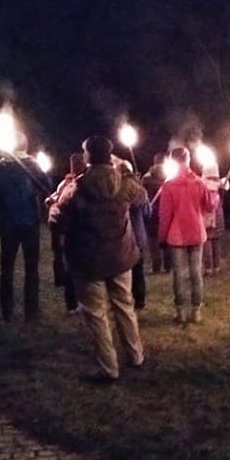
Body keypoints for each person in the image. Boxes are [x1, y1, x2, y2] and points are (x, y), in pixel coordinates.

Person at [57, 136, 147, 382]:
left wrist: (54, 208)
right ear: (110, 155)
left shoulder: (76, 188)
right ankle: (136, 355)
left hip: (88, 261)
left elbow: (60, 222)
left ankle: (109, 368)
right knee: (124, 306)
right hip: (120, 256)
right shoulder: (125, 183)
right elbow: (142, 197)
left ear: (88, 156)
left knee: (96, 314)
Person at [0, 134, 51, 322]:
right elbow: (47, 187)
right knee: (31, 267)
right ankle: (31, 311)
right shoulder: (32, 165)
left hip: (8, 222)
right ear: (25, 146)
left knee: (6, 267)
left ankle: (6, 310)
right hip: (29, 221)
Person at [158, 146, 216, 325]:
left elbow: (165, 215)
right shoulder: (199, 182)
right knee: (196, 272)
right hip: (196, 232)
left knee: (179, 274)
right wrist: (216, 193)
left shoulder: (169, 185)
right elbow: (210, 206)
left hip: (177, 234)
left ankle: (181, 312)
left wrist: (161, 237)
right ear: (188, 159)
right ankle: (196, 311)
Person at [46, 152, 86, 314]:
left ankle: (76, 301)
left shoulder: (81, 182)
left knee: (74, 266)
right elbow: (59, 203)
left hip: (73, 229)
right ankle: (73, 302)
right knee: (73, 266)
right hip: (72, 229)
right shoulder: (70, 184)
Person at [117, 158, 151, 310]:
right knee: (138, 267)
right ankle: (140, 299)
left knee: (123, 268)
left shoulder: (117, 188)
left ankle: (125, 298)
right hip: (138, 235)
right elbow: (147, 212)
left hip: (124, 234)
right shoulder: (140, 190)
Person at [141, 152, 170, 273]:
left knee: (153, 241)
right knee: (166, 240)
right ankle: (169, 266)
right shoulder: (170, 177)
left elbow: (141, 193)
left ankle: (156, 266)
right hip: (165, 211)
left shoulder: (146, 178)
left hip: (151, 212)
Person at [201, 161, 226, 275]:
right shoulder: (222, 184)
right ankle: (216, 266)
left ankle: (208, 267)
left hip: (206, 214)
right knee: (216, 241)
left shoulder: (201, 184)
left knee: (207, 240)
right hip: (218, 213)